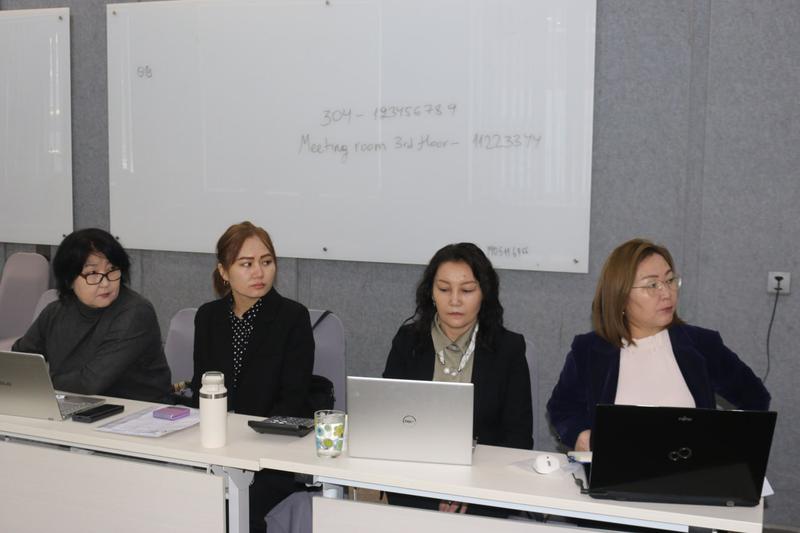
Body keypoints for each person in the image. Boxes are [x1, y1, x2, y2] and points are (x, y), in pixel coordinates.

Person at [547, 238, 770, 452]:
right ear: (620, 297)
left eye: (670, 280)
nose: (666, 293)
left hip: (690, 474)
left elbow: (755, 397)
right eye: (652, 285)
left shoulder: (702, 344)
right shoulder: (588, 350)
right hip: (616, 474)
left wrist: (723, 446)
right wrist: (579, 435)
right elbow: (562, 408)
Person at [384, 242, 532, 516]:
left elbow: (518, 438)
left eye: (467, 290)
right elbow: (388, 422)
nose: (454, 300)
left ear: (484, 293)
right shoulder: (408, 341)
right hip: (414, 483)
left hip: (485, 489)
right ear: (431, 293)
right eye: (444, 289)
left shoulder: (508, 349)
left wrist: (472, 488)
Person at [191, 221, 314, 533]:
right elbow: (199, 388)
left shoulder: (292, 317)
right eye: (246, 264)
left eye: (266, 262)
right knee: (182, 498)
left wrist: (245, 446)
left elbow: (292, 400)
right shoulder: (208, 317)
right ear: (224, 271)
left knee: (236, 511)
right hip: (215, 446)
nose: (259, 273)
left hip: (269, 454)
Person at [12, 228, 171, 402]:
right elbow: (19, 359)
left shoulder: (135, 313)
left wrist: (39, 383)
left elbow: (89, 383)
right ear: (69, 279)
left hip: (136, 410)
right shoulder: (55, 311)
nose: (105, 283)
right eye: (92, 274)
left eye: (112, 269)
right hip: (74, 403)